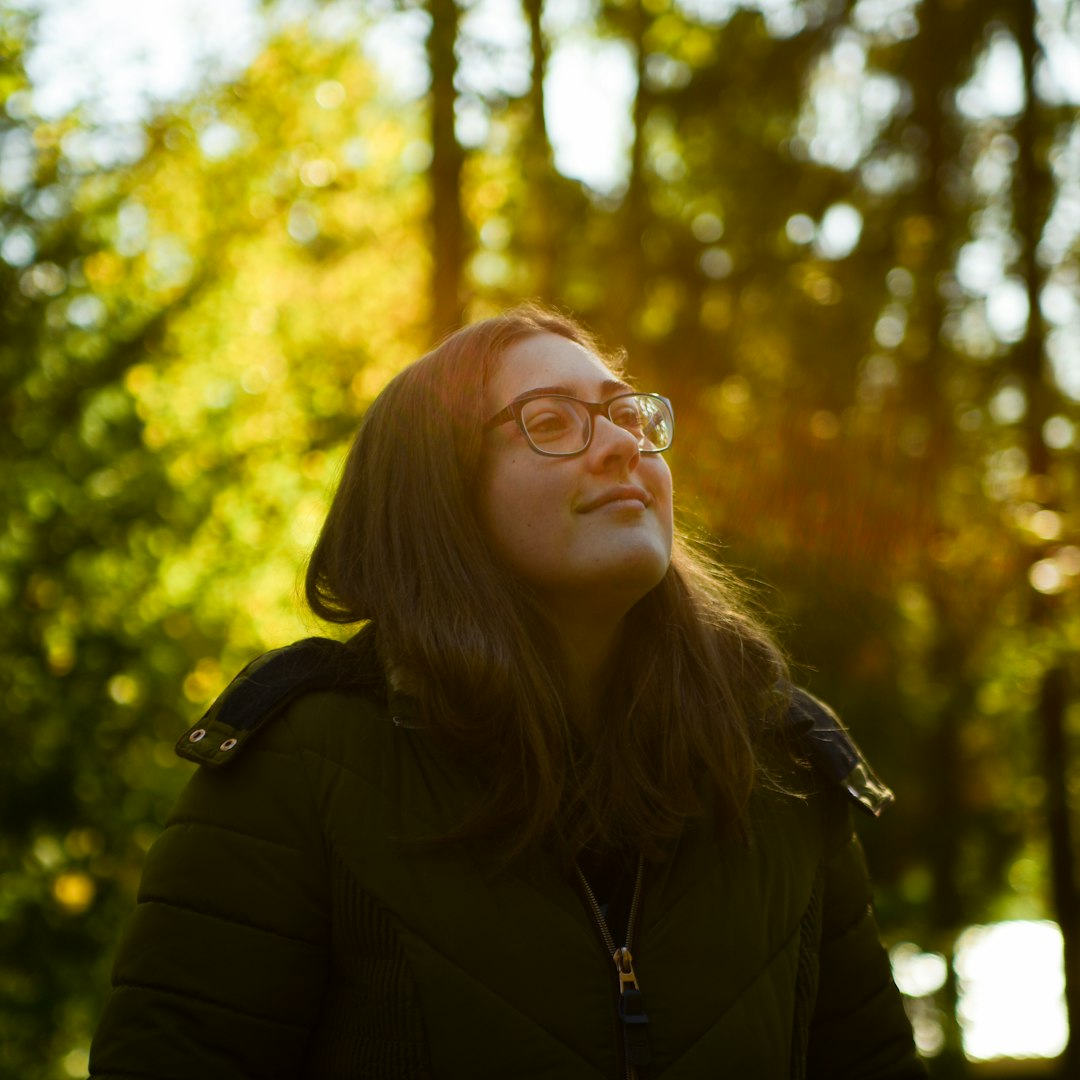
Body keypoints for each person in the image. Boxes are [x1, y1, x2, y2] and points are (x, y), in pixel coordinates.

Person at [89, 304, 924, 1079]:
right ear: (438, 499)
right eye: (552, 422)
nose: (624, 445)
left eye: (629, 416)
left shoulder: (779, 770)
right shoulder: (303, 765)